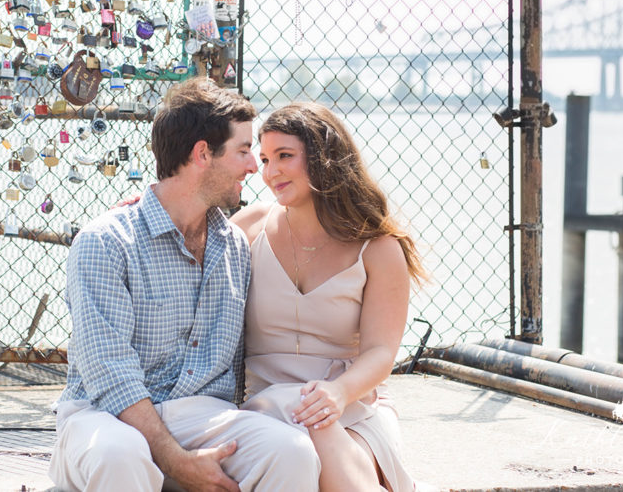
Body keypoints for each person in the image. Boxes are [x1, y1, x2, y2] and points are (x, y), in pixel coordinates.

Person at [49, 77, 320, 492]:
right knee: (119, 455)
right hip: (105, 416)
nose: (255, 167)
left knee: (291, 452)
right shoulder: (105, 242)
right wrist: (177, 462)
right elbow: (110, 377)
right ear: (202, 154)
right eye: (245, 151)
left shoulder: (235, 248)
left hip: (202, 416)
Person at [231, 102, 430, 492]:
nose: (271, 172)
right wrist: (147, 206)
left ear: (324, 158)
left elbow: (380, 352)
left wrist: (337, 393)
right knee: (301, 420)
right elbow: (187, 249)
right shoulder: (250, 227)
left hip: (351, 409)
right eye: (266, 159)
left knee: (315, 423)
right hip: (264, 409)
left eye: (285, 156)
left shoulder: (378, 248)